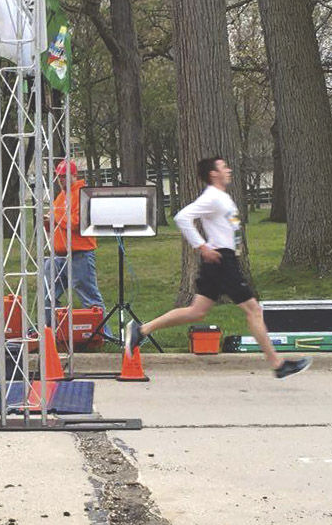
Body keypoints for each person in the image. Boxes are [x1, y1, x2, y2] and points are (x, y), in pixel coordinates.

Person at [124, 157, 311, 379]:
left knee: (196, 312)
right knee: (254, 310)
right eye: (224, 167)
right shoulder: (212, 197)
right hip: (222, 260)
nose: (228, 170)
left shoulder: (221, 197)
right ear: (214, 174)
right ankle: (278, 365)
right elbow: (182, 217)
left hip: (222, 259)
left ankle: (141, 329)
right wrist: (201, 246)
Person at [43, 160, 110, 337]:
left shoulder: (82, 194)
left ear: (75, 175)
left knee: (89, 297)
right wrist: (47, 222)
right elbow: (57, 224)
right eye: (59, 177)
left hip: (80, 254)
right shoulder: (60, 197)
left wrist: (54, 215)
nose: (62, 180)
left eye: (65, 176)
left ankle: (104, 335)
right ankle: (52, 333)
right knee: (47, 295)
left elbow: (76, 223)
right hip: (58, 255)